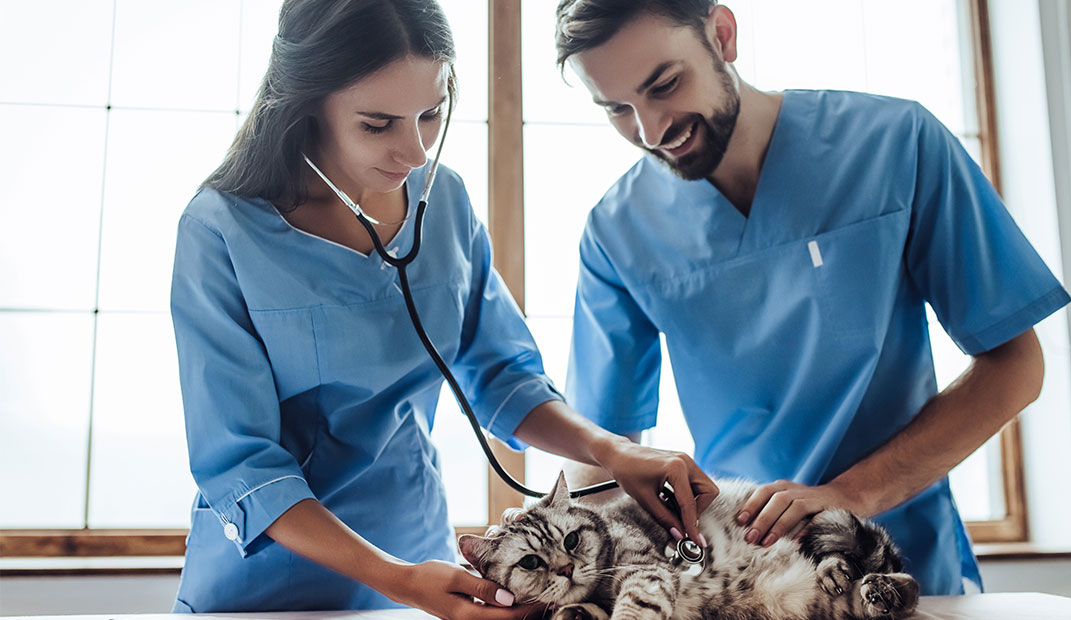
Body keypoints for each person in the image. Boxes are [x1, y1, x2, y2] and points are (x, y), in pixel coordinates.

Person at [169, 0, 718, 615]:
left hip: (418, 553)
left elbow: (503, 377)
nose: (413, 152)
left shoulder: (446, 202)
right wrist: (394, 578)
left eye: (430, 115)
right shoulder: (220, 231)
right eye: (378, 125)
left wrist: (610, 450)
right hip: (271, 578)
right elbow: (240, 463)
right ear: (307, 104)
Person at [554, 0, 1070, 596]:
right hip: (745, 579)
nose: (650, 130)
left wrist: (849, 498)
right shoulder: (618, 230)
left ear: (722, 36)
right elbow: (602, 457)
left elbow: (1015, 367)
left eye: (665, 85)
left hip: (901, 563)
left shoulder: (896, 145)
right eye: (616, 108)